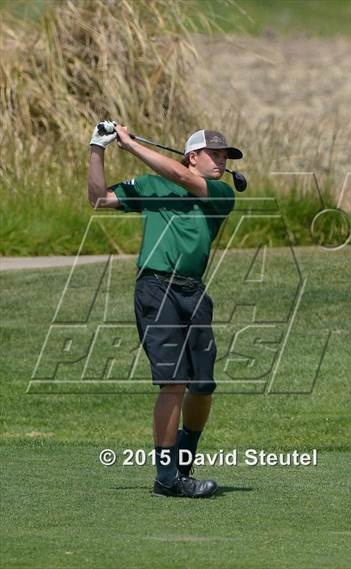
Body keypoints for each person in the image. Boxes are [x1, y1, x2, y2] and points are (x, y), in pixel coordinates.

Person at [88, 121, 243, 498]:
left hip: (193, 293)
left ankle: (182, 467)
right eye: (215, 154)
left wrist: (131, 144)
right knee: (174, 382)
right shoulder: (150, 185)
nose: (222, 161)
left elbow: (176, 173)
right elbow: (98, 198)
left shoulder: (220, 193)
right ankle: (167, 477)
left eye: (225, 155)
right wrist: (98, 148)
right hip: (156, 290)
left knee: (202, 386)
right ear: (194, 156)